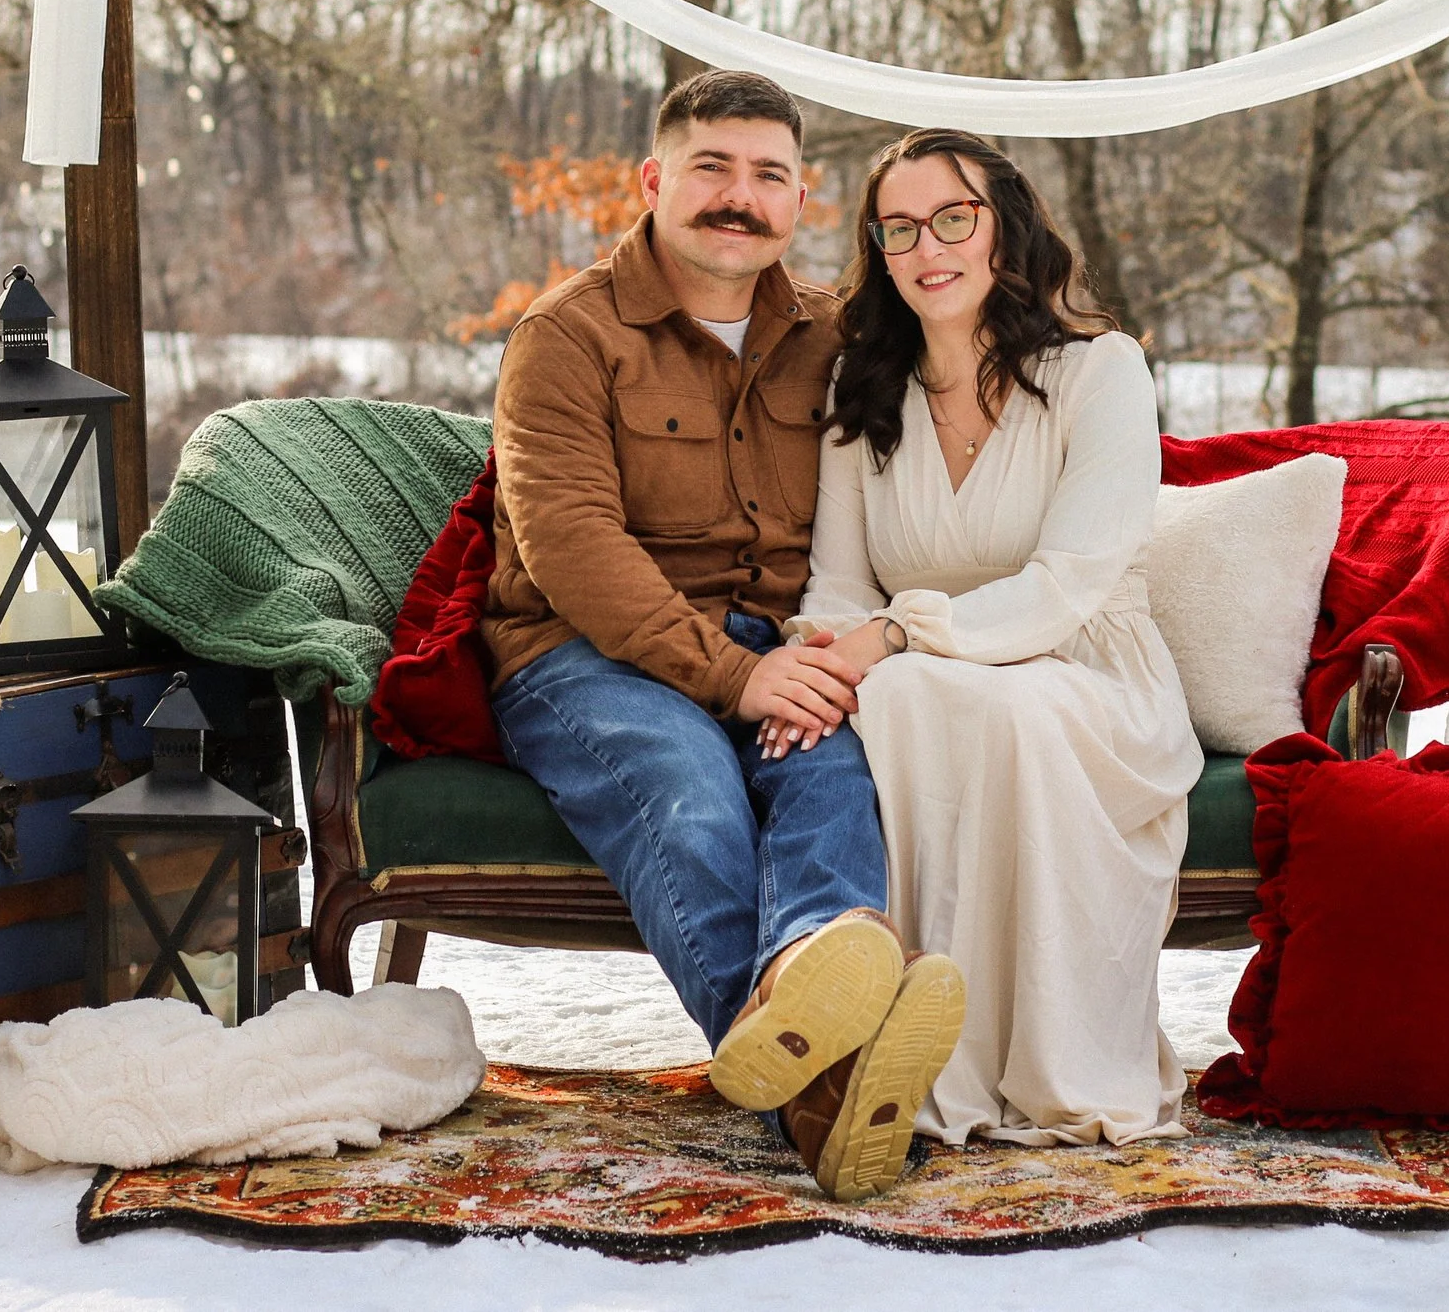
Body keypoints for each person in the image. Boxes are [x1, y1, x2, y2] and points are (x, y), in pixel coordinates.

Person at [482, 70, 964, 1200]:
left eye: (767, 176)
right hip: (582, 652)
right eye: (711, 168)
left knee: (835, 772)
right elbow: (571, 545)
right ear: (653, 179)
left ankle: (809, 984)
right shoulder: (565, 336)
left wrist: (832, 652)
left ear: (801, 198)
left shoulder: (838, 337)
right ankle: (828, 1096)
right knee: (690, 793)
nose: (737, 198)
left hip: (782, 639)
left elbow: (967, 387)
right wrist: (738, 675)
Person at [778, 126, 1204, 1147]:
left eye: (953, 218)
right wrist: (828, 663)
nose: (929, 247)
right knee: (901, 694)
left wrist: (895, 631)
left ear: (1003, 229)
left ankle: (1009, 1063)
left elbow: (1071, 582)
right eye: (899, 228)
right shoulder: (863, 391)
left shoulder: (1102, 372)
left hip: (1085, 674)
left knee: (957, 692)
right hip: (921, 676)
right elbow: (838, 581)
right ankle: (900, 1050)